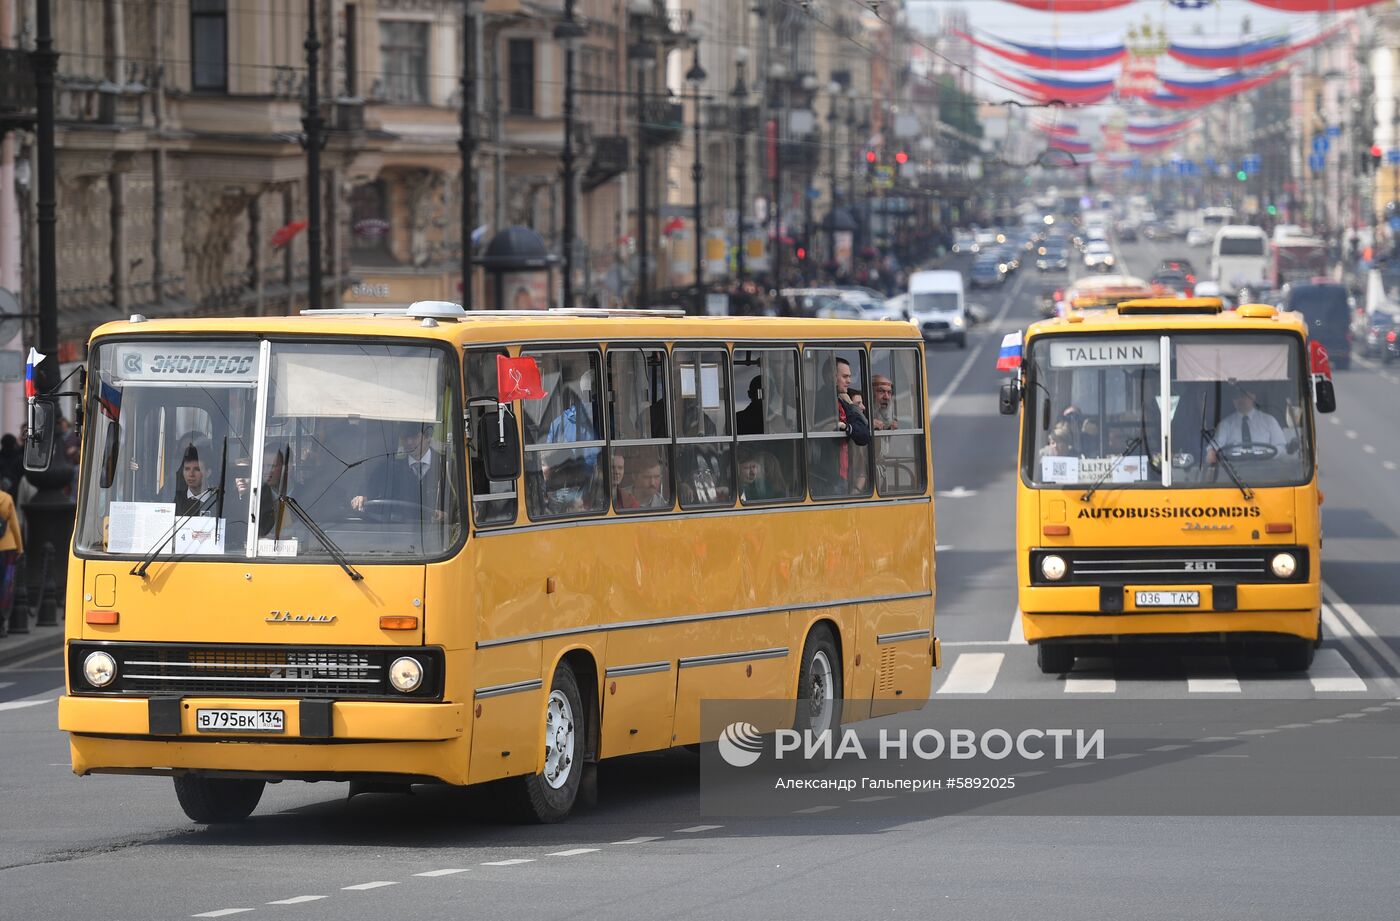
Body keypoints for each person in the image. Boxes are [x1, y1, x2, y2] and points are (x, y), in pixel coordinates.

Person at [351, 422, 444, 516]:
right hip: (396, 529)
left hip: (436, 530)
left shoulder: (447, 467)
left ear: (428, 437)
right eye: (404, 437)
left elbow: (457, 511)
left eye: (415, 437)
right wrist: (362, 498)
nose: (409, 442)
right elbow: (368, 495)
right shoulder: (388, 469)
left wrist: (447, 516)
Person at [1208, 385, 1289, 463]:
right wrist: (1212, 452)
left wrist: (1266, 454)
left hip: (1266, 471)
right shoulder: (1225, 425)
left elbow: (1281, 448)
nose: (1240, 399)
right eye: (1236, 397)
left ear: (1253, 396)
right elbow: (1214, 448)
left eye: (1243, 395)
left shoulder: (1269, 421)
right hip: (1234, 472)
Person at [0, 486, 22, 638]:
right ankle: (1, 622)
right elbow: (14, 525)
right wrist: (20, 548)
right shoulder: (6, 498)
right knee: (6, 585)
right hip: (7, 548)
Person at [174, 445, 213, 516]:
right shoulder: (175, 500)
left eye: (197, 469)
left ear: (208, 472)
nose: (191, 474)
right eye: (187, 469)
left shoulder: (219, 501)